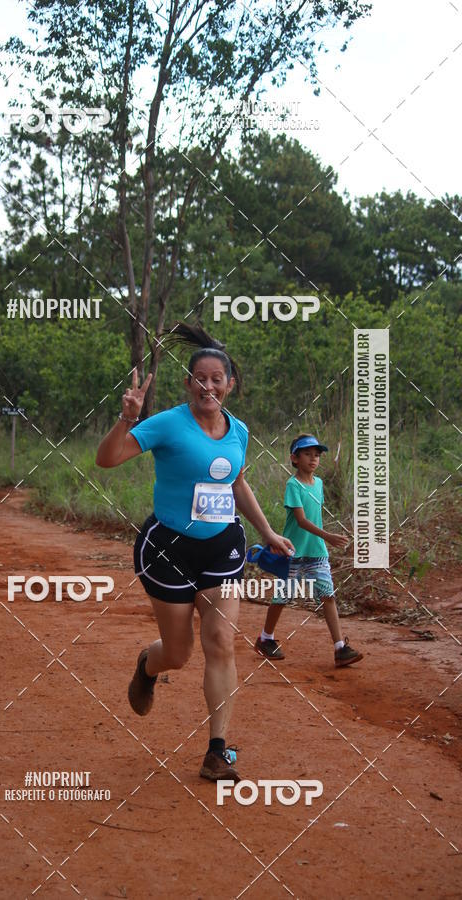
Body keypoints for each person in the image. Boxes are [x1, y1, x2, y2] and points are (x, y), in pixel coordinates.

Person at [96, 324, 294, 782]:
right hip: (167, 549)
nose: (208, 385)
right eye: (199, 378)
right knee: (180, 653)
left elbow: (236, 483)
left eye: (216, 378)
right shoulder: (166, 423)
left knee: (221, 642)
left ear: (230, 384)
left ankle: (217, 752)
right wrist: (126, 417)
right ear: (188, 383)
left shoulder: (238, 430)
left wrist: (264, 531)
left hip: (222, 548)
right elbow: (107, 460)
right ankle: (148, 666)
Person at [255, 434, 363, 668]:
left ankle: (340, 648)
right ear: (294, 458)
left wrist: (323, 541)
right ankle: (265, 638)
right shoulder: (293, 485)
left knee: (328, 596)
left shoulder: (320, 484)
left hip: (316, 552)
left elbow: (315, 517)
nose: (313, 459)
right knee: (282, 598)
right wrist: (328, 536)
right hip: (292, 552)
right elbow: (301, 520)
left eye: (317, 455)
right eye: (307, 454)